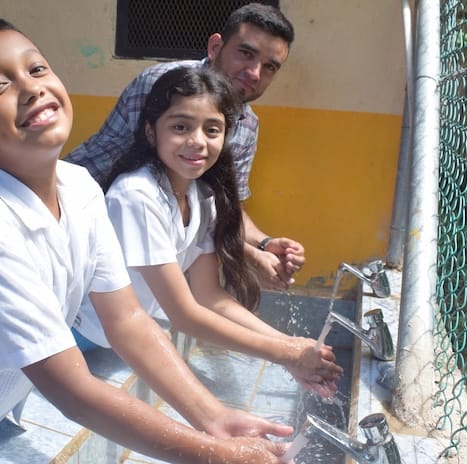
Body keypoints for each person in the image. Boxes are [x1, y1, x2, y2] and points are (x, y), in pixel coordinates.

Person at [0, 17, 320, 464]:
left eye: (36, 69)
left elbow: (130, 321)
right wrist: (220, 459)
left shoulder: (78, 187)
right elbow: (74, 390)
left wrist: (213, 417)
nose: (31, 90)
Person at [73, 65, 342, 397]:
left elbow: (209, 297)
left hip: (115, 335)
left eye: (212, 129)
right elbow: (184, 315)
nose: (197, 141)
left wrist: (290, 345)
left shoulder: (202, 196)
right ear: (151, 131)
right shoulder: (136, 196)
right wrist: (285, 354)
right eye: (181, 126)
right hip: (78, 333)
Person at [65, 3, 304, 291]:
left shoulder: (246, 126)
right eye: (246, 53)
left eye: (269, 67)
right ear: (215, 47)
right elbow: (122, 177)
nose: (254, 73)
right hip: (78, 217)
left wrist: (264, 243)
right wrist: (246, 254)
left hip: (150, 254)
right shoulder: (165, 87)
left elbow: (226, 202)